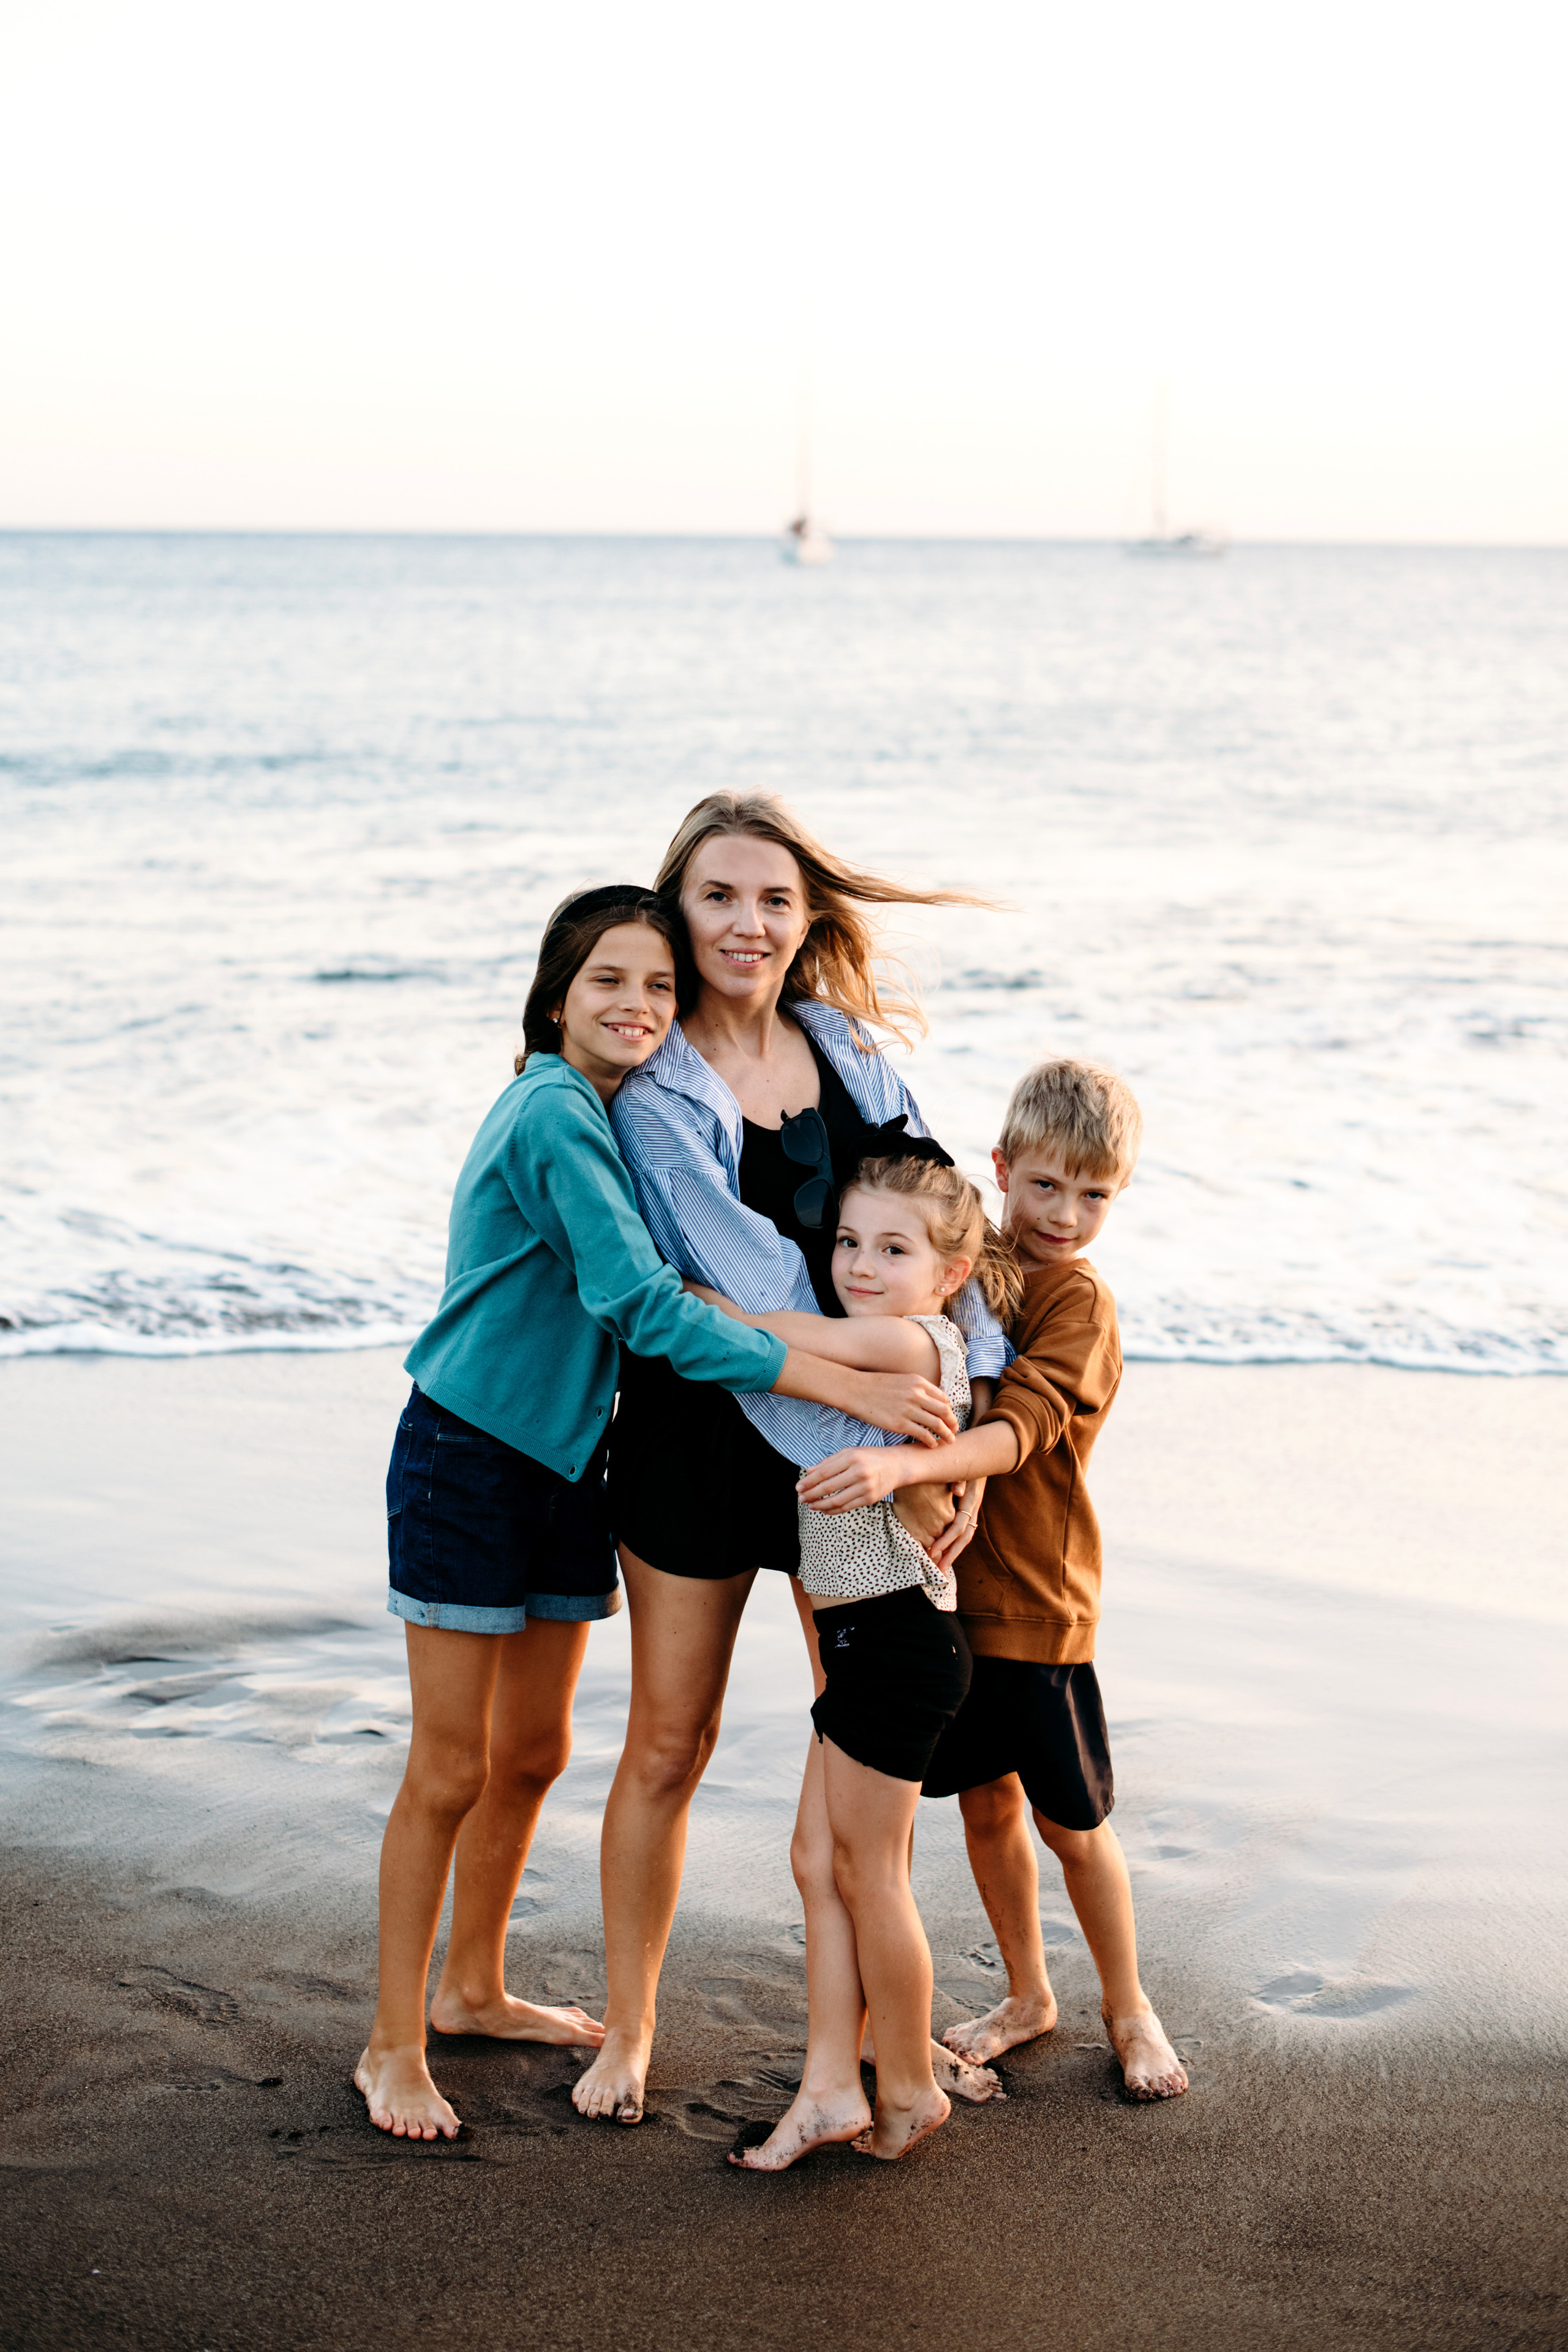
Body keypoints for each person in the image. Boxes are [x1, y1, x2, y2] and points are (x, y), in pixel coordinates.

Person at [355, 886, 957, 2143]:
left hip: (567, 1456)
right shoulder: (556, 1114)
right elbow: (642, 1304)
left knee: (533, 1756)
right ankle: (392, 2045)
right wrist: (848, 1380)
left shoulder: (627, 1099)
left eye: (656, 987)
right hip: (471, 1455)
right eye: (607, 982)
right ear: (554, 999)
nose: (637, 1005)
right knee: (451, 1767)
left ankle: (473, 1989)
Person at [573, 791, 1007, 2127]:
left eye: (773, 899)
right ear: (677, 910)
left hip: (861, 1452)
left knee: (860, 1750)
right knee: (669, 1743)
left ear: (807, 918)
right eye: (718, 896)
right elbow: (742, 1284)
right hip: (703, 1440)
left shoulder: (848, 1049)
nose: (746, 923)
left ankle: (885, 2040)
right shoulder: (657, 1091)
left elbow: (949, 1229)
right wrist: (900, 1403)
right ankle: (630, 2032)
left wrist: (961, 1434)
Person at [796, 1058, 1190, 2103]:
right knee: (985, 1808)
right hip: (948, 1594)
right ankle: (1027, 1995)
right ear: (1003, 1169)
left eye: (1095, 1195)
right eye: (1046, 1185)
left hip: (1038, 1600)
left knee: (1073, 1825)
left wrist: (909, 1469)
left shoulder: (1081, 1302)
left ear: (1121, 1194)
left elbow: (1020, 1431)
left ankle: (1129, 2008)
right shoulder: (971, 1269)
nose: (1065, 1215)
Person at [688, 1148, 1022, 2168]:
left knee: (871, 1875)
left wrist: (712, 1305)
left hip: (896, 1645)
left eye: (892, 1249)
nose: (861, 1266)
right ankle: (831, 2091)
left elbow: (801, 1335)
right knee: (818, 1863)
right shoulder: (901, 1337)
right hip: (865, 1644)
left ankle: (909, 2088)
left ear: (951, 1274)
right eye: (846, 1243)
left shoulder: (916, 1341)